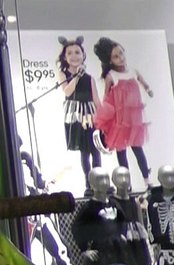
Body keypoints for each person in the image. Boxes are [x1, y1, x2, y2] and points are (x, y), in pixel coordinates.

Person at [92, 37, 152, 186]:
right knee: (122, 152)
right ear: (110, 60)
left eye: (121, 54)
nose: (120, 58)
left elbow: (143, 82)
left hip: (134, 119)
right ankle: (126, 183)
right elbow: (106, 97)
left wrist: (148, 89)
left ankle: (147, 180)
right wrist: (105, 114)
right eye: (115, 56)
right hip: (120, 120)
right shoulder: (111, 76)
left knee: (138, 149)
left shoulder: (133, 71)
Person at [57, 36, 100, 188]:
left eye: (77, 52)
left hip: (90, 115)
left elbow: (96, 100)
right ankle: (88, 184)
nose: (74, 56)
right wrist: (77, 76)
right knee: (84, 151)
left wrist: (103, 119)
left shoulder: (90, 78)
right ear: (64, 57)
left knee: (95, 149)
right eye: (69, 53)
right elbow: (68, 91)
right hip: (76, 115)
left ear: (83, 55)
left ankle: (99, 181)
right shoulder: (63, 74)